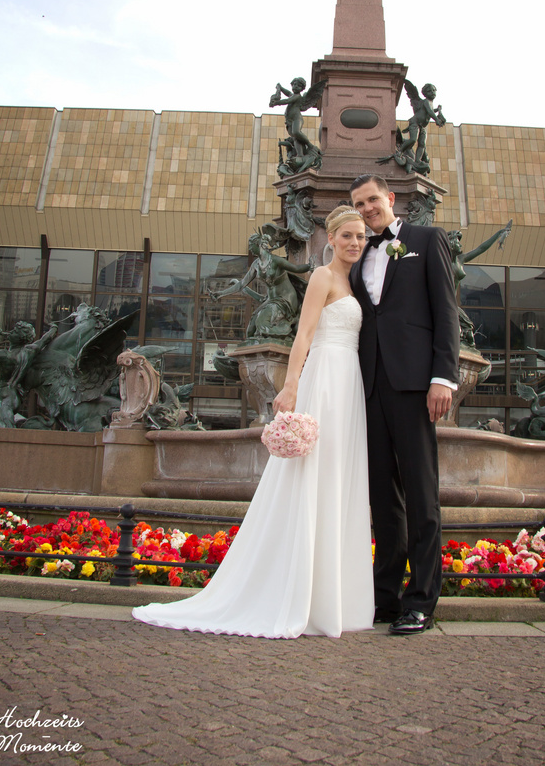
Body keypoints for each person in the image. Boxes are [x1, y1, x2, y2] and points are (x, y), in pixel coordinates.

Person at [132, 206, 374, 638]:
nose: (355, 242)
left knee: (339, 478)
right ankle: (298, 594)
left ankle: (332, 597)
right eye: (348, 236)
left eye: (361, 236)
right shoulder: (321, 277)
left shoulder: (353, 281)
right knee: (312, 476)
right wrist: (291, 386)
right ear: (331, 238)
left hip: (349, 382)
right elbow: (303, 333)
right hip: (324, 379)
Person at [349, 174, 461, 635]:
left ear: (390, 199)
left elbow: (446, 311)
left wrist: (443, 378)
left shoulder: (426, 240)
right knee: (382, 497)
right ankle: (386, 596)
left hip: (417, 385)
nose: (367, 208)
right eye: (359, 204)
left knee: (419, 493)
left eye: (373, 199)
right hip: (369, 385)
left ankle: (421, 600)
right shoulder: (356, 258)